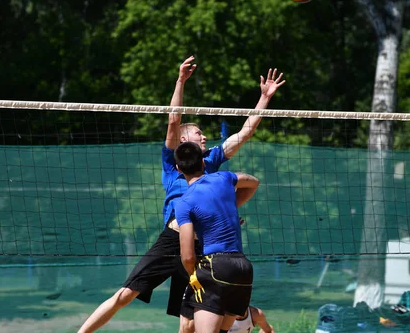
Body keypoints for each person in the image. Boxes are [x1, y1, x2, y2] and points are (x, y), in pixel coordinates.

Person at [77, 57, 285, 333]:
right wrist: (180, 81)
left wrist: (264, 98)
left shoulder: (211, 163)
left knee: (188, 323)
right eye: (199, 134)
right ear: (185, 141)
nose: (204, 137)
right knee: (124, 295)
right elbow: (174, 119)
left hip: (202, 248)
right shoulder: (173, 161)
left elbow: (245, 132)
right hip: (173, 238)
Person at [174, 141, 259, 333]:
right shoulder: (224, 178)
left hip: (215, 268)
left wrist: (193, 276)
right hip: (243, 269)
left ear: (179, 169)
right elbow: (253, 182)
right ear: (204, 163)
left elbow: (187, 256)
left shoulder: (184, 203)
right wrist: (230, 205)